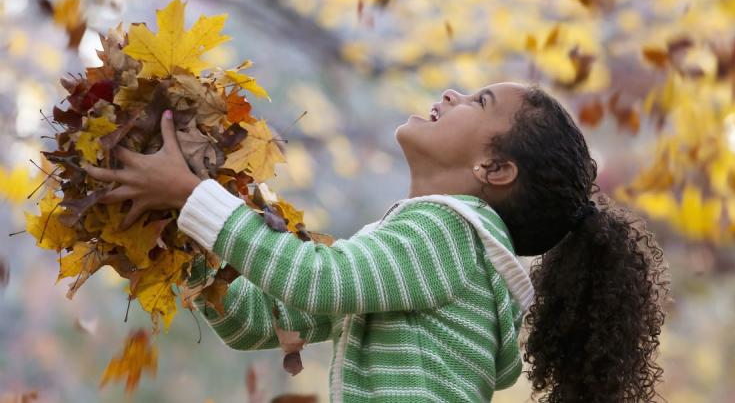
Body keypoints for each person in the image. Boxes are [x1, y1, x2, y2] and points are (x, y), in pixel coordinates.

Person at [83, 81, 670, 402]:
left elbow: (318, 280)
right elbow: (258, 322)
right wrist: (171, 245)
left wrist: (192, 197)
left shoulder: (449, 232)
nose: (452, 94)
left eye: (478, 102)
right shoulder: (419, 252)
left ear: (494, 168)